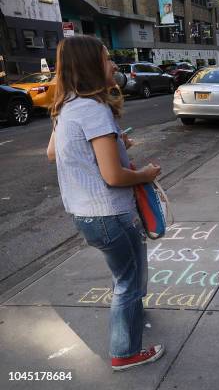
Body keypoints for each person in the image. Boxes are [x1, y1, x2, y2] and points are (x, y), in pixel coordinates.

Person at [46, 35, 164, 371]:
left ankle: (132, 312)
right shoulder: (93, 109)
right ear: (90, 66)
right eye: (107, 58)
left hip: (84, 214)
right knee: (127, 281)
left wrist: (110, 141)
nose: (113, 64)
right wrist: (146, 173)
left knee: (128, 270)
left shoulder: (66, 107)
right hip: (109, 213)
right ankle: (125, 352)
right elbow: (113, 177)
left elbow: (53, 152)